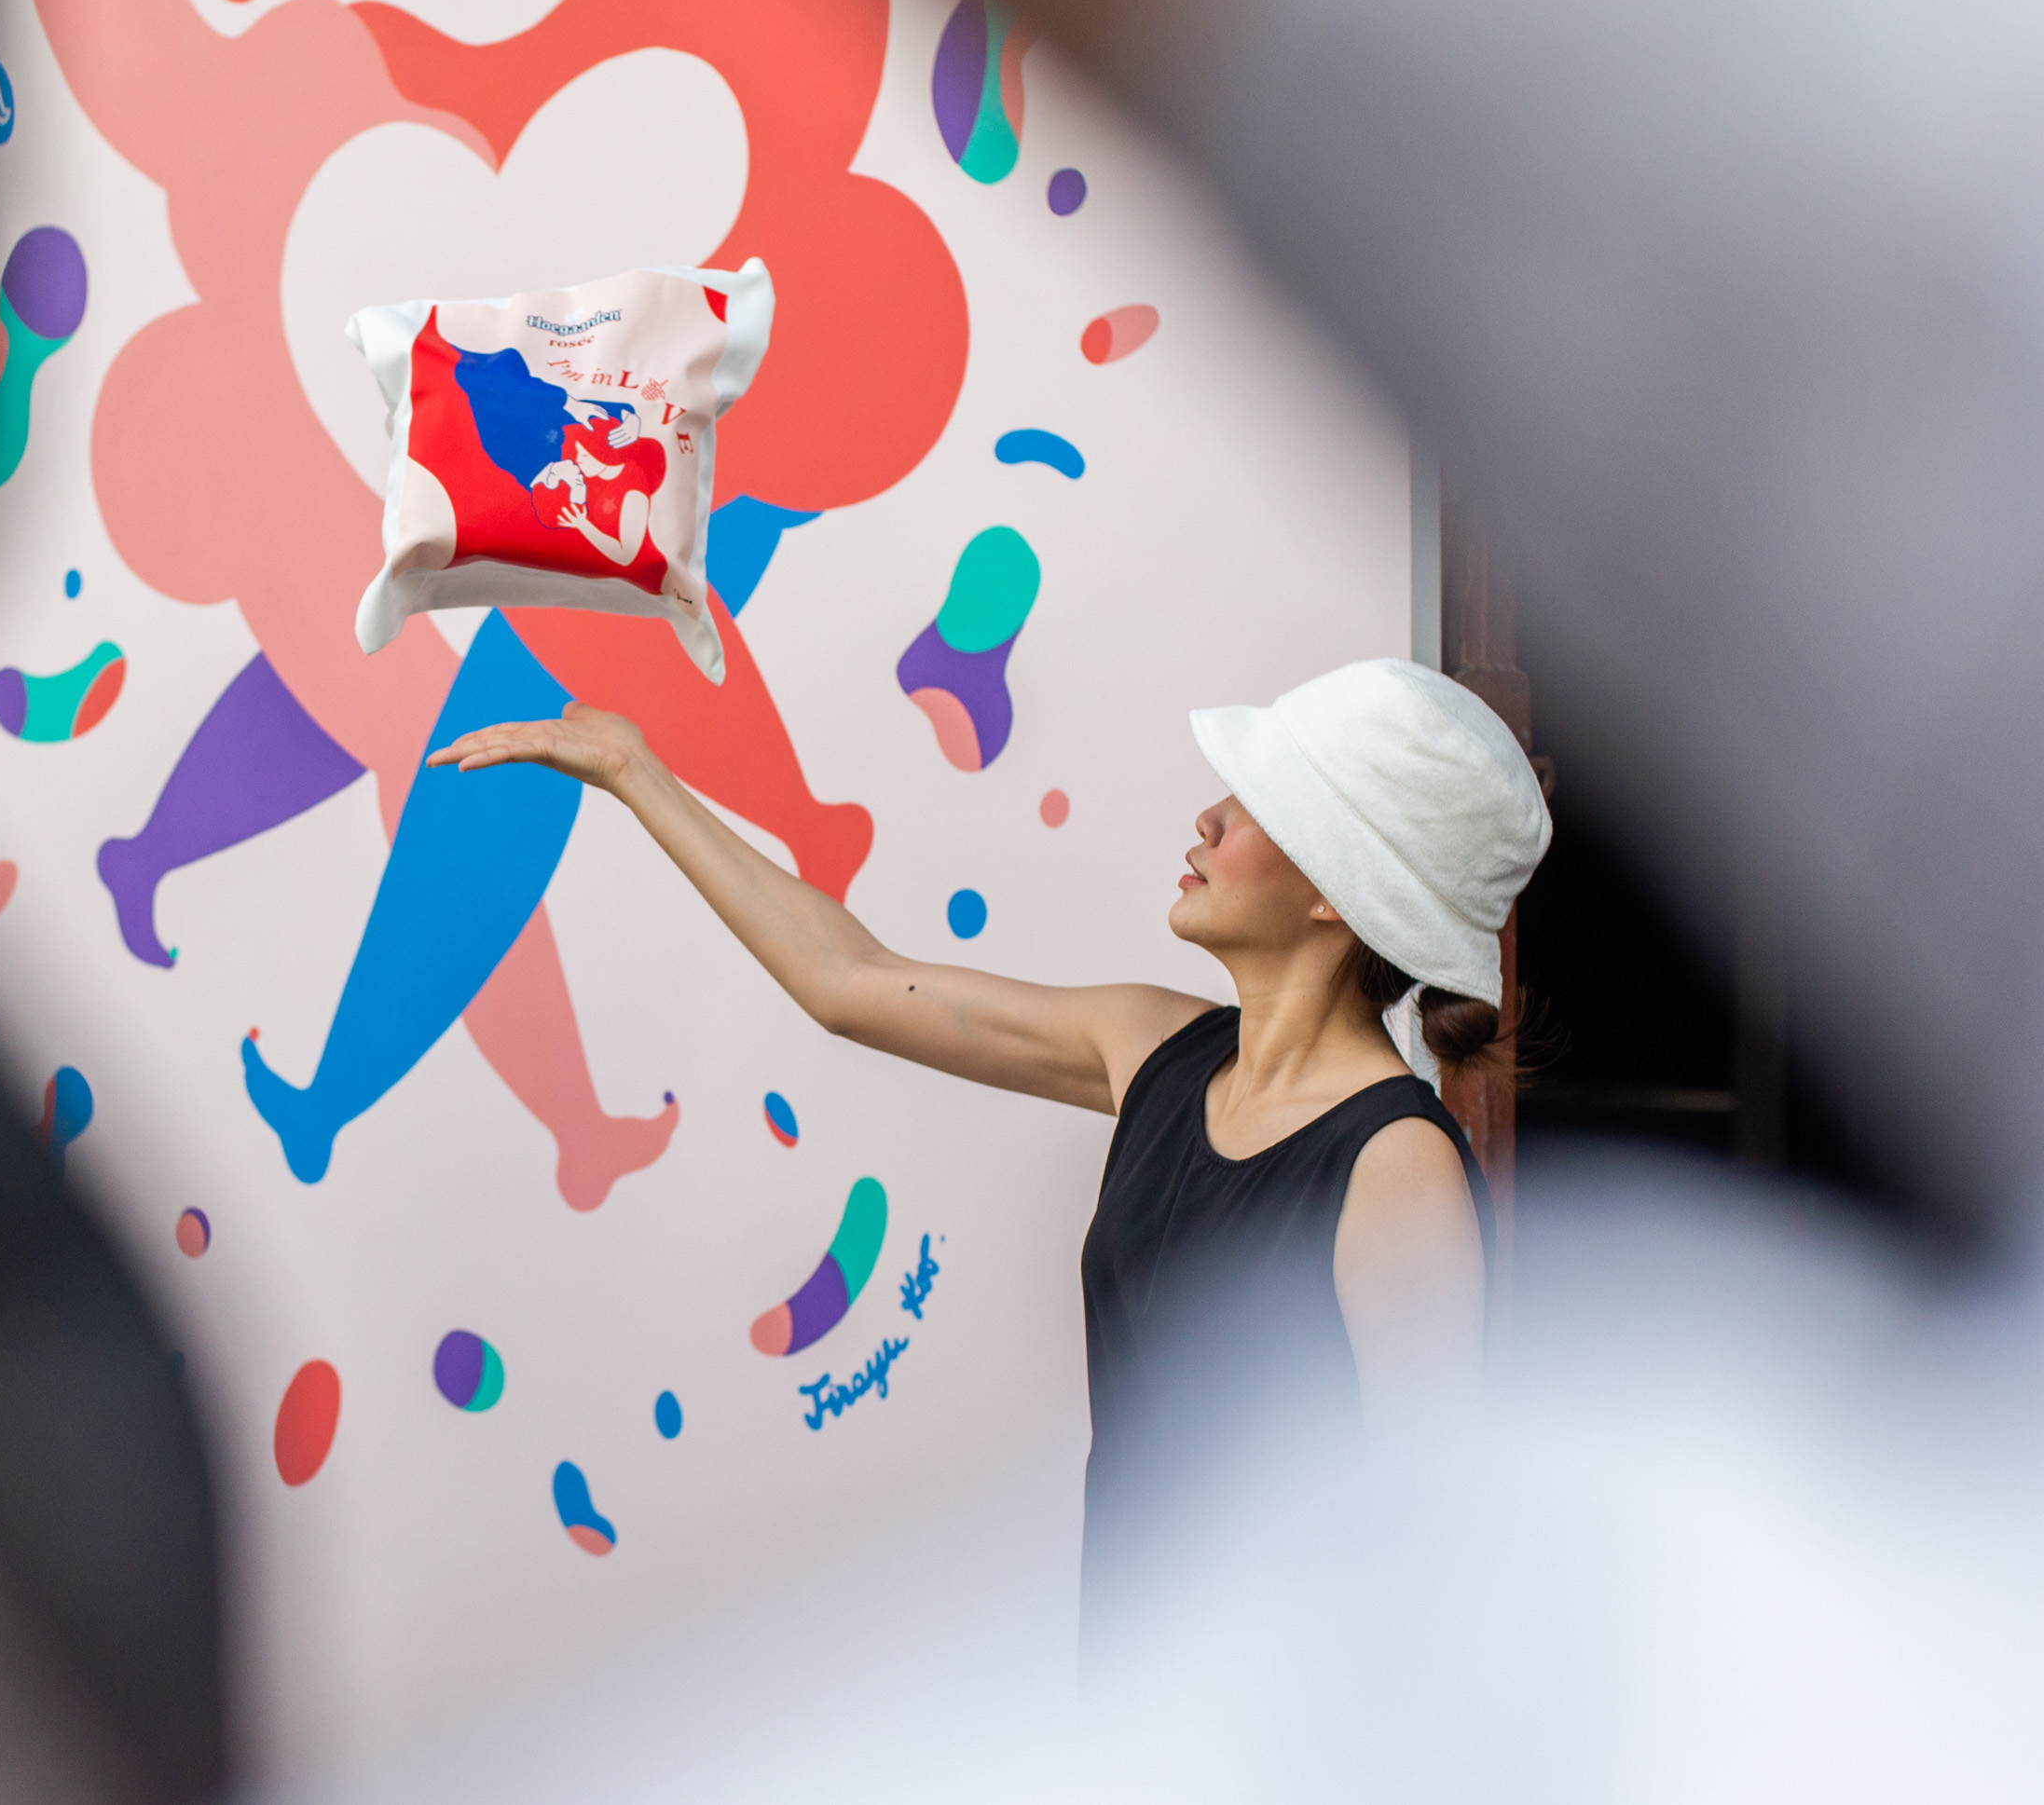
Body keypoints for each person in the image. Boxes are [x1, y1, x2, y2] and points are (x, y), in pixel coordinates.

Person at [429, 655, 1549, 1600]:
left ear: (1336, 890)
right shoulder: (1155, 1048)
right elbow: (846, 979)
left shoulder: (1396, 1163)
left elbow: (1431, 1551)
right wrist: (634, 772)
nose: (1208, 816)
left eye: (1257, 800)